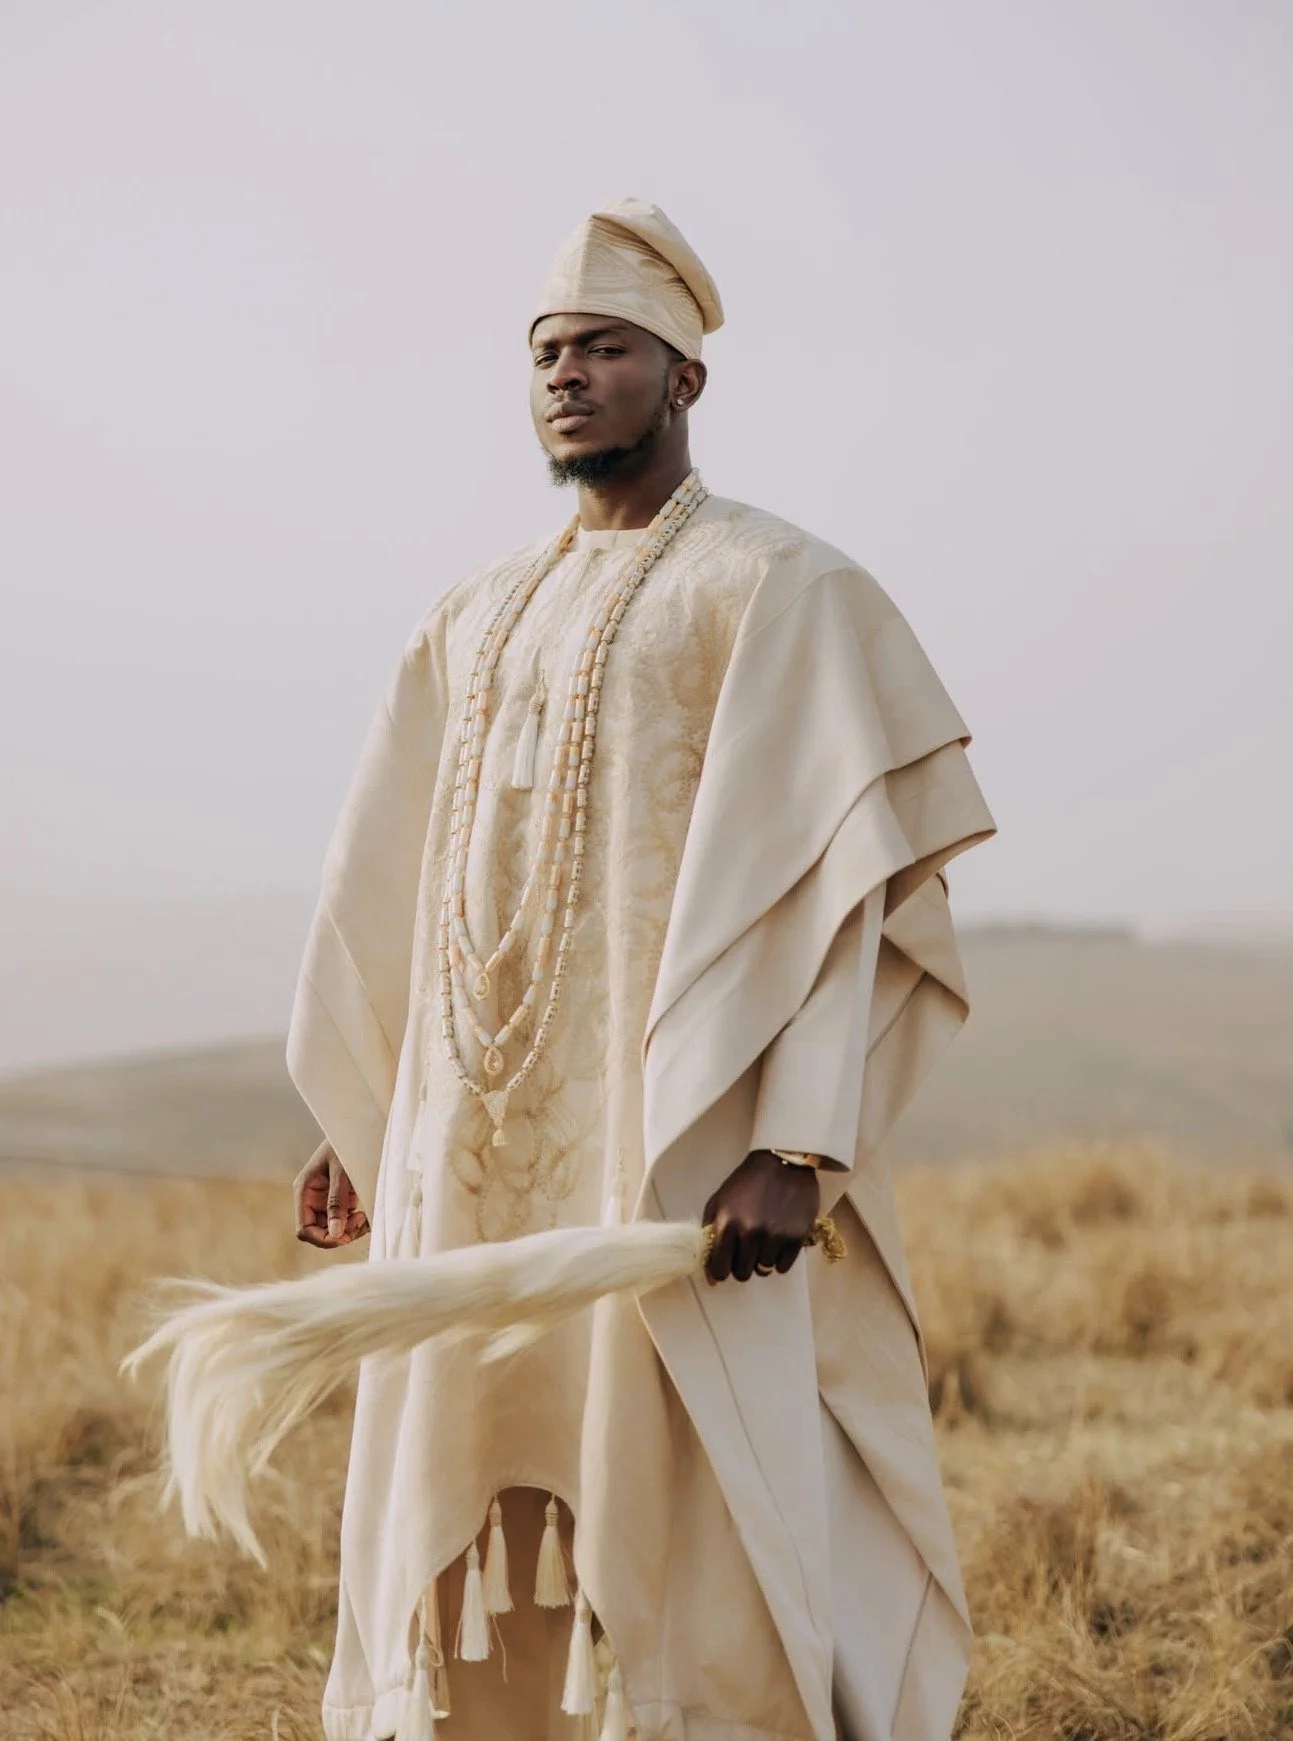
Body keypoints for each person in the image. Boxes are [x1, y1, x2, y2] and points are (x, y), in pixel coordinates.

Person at [288, 198, 995, 1741]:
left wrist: (799, 1142)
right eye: (545, 352)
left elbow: (840, 895)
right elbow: (395, 892)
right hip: (470, 1154)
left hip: (680, 1154)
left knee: (701, 1505)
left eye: (602, 348)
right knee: (456, 1508)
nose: (565, 376)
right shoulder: (470, 618)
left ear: (683, 378)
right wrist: (363, 1119)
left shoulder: (777, 589)